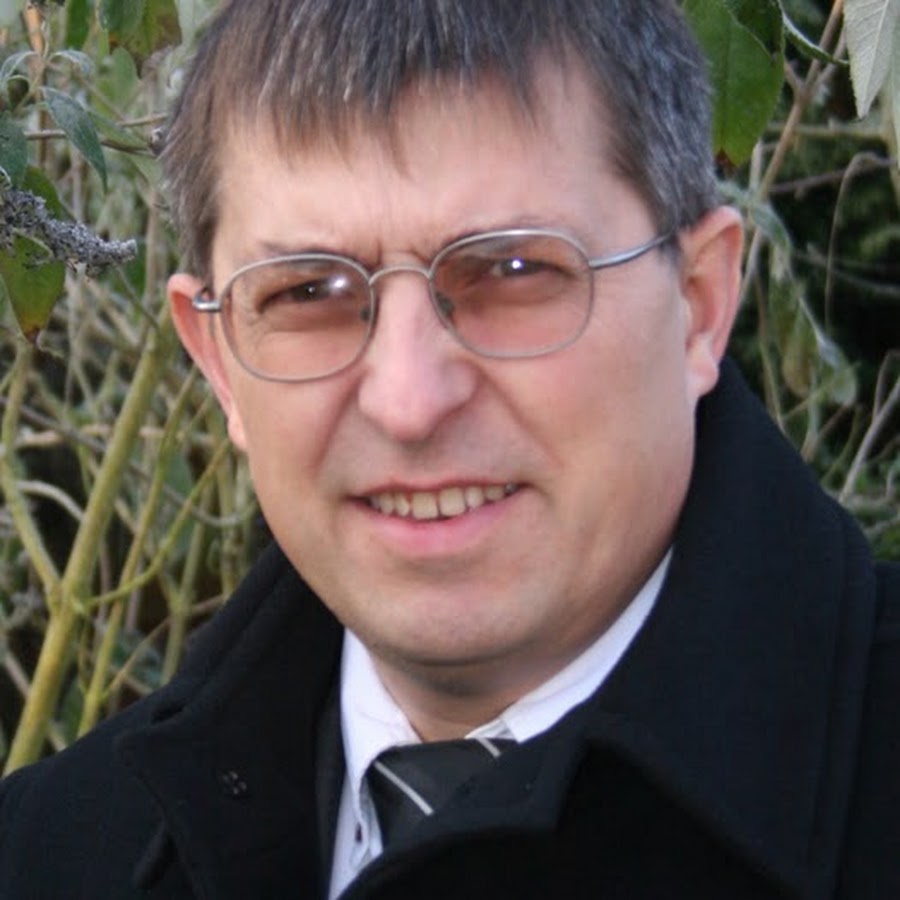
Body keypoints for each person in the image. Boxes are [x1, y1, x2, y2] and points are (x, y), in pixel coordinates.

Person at [1, 0, 897, 897]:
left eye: (513, 271)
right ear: (220, 363)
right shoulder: (46, 855)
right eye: (308, 292)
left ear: (698, 304)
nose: (408, 402)